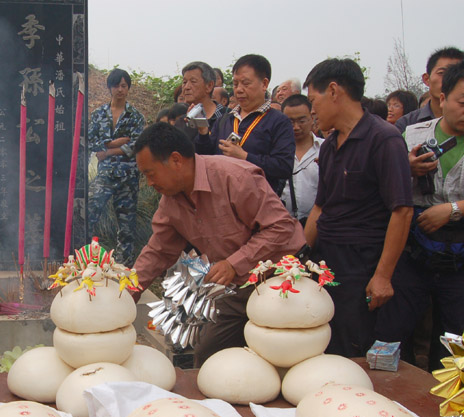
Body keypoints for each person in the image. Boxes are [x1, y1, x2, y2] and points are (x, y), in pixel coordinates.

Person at [132, 122, 306, 366]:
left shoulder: (234, 177)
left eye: (151, 173)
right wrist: (126, 291)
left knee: (281, 358)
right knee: (208, 357)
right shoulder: (171, 201)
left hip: (280, 279)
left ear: (176, 160)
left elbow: (280, 227)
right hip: (235, 287)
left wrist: (234, 263)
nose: (149, 182)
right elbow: (158, 251)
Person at [377, 60, 464, 358]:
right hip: (413, 248)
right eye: (463, 102)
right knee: (393, 329)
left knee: (461, 337)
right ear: (443, 98)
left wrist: (452, 210)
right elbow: (383, 186)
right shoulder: (411, 134)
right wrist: (405, 168)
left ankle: (448, 399)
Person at [303, 58, 413, 358]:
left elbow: (401, 211)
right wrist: (297, 258)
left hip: (364, 263)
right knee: (331, 341)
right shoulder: (328, 147)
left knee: (360, 346)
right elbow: (319, 207)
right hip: (329, 260)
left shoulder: (384, 139)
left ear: (334, 91)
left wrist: (383, 276)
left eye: (314, 100)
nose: (312, 111)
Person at [195, 54, 296, 196]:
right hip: (222, 202)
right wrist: (203, 133)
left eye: (246, 83)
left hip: (259, 205)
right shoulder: (225, 120)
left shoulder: (279, 121)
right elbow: (205, 157)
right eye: (235, 84)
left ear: (264, 84)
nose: (239, 90)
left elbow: (284, 167)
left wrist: (244, 156)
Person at [87, 69, 146, 264]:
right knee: (90, 212)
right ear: (109, 88)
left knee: (126, 225)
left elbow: (136, 144)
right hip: (104, 175)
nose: (120, 90)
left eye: (124, 86)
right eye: (116, 85)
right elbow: (90, 141)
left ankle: (124, 268)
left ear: (128, 88)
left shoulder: (136, 116)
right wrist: (114, 143)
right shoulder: (98, 114)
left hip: (127, 176)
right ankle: (87, 259)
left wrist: (108, 151)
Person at [393, 47, 464, 133]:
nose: (448, 79)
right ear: (427, 79)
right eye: (442, 73)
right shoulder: (407, 124)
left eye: (456, 75)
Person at [280, 94, 322, 222]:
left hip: (318, 224)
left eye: (302, 121)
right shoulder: (276, 152)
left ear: (312, 118)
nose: (296, 127)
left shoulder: (325, 149)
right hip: (282, 224)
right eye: (290, 122)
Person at [180, 61, 227, 131]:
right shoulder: (182, 122)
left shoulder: (228, 117)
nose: (187, 87)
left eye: (193, 81)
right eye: (184, 82)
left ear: (209, 86)